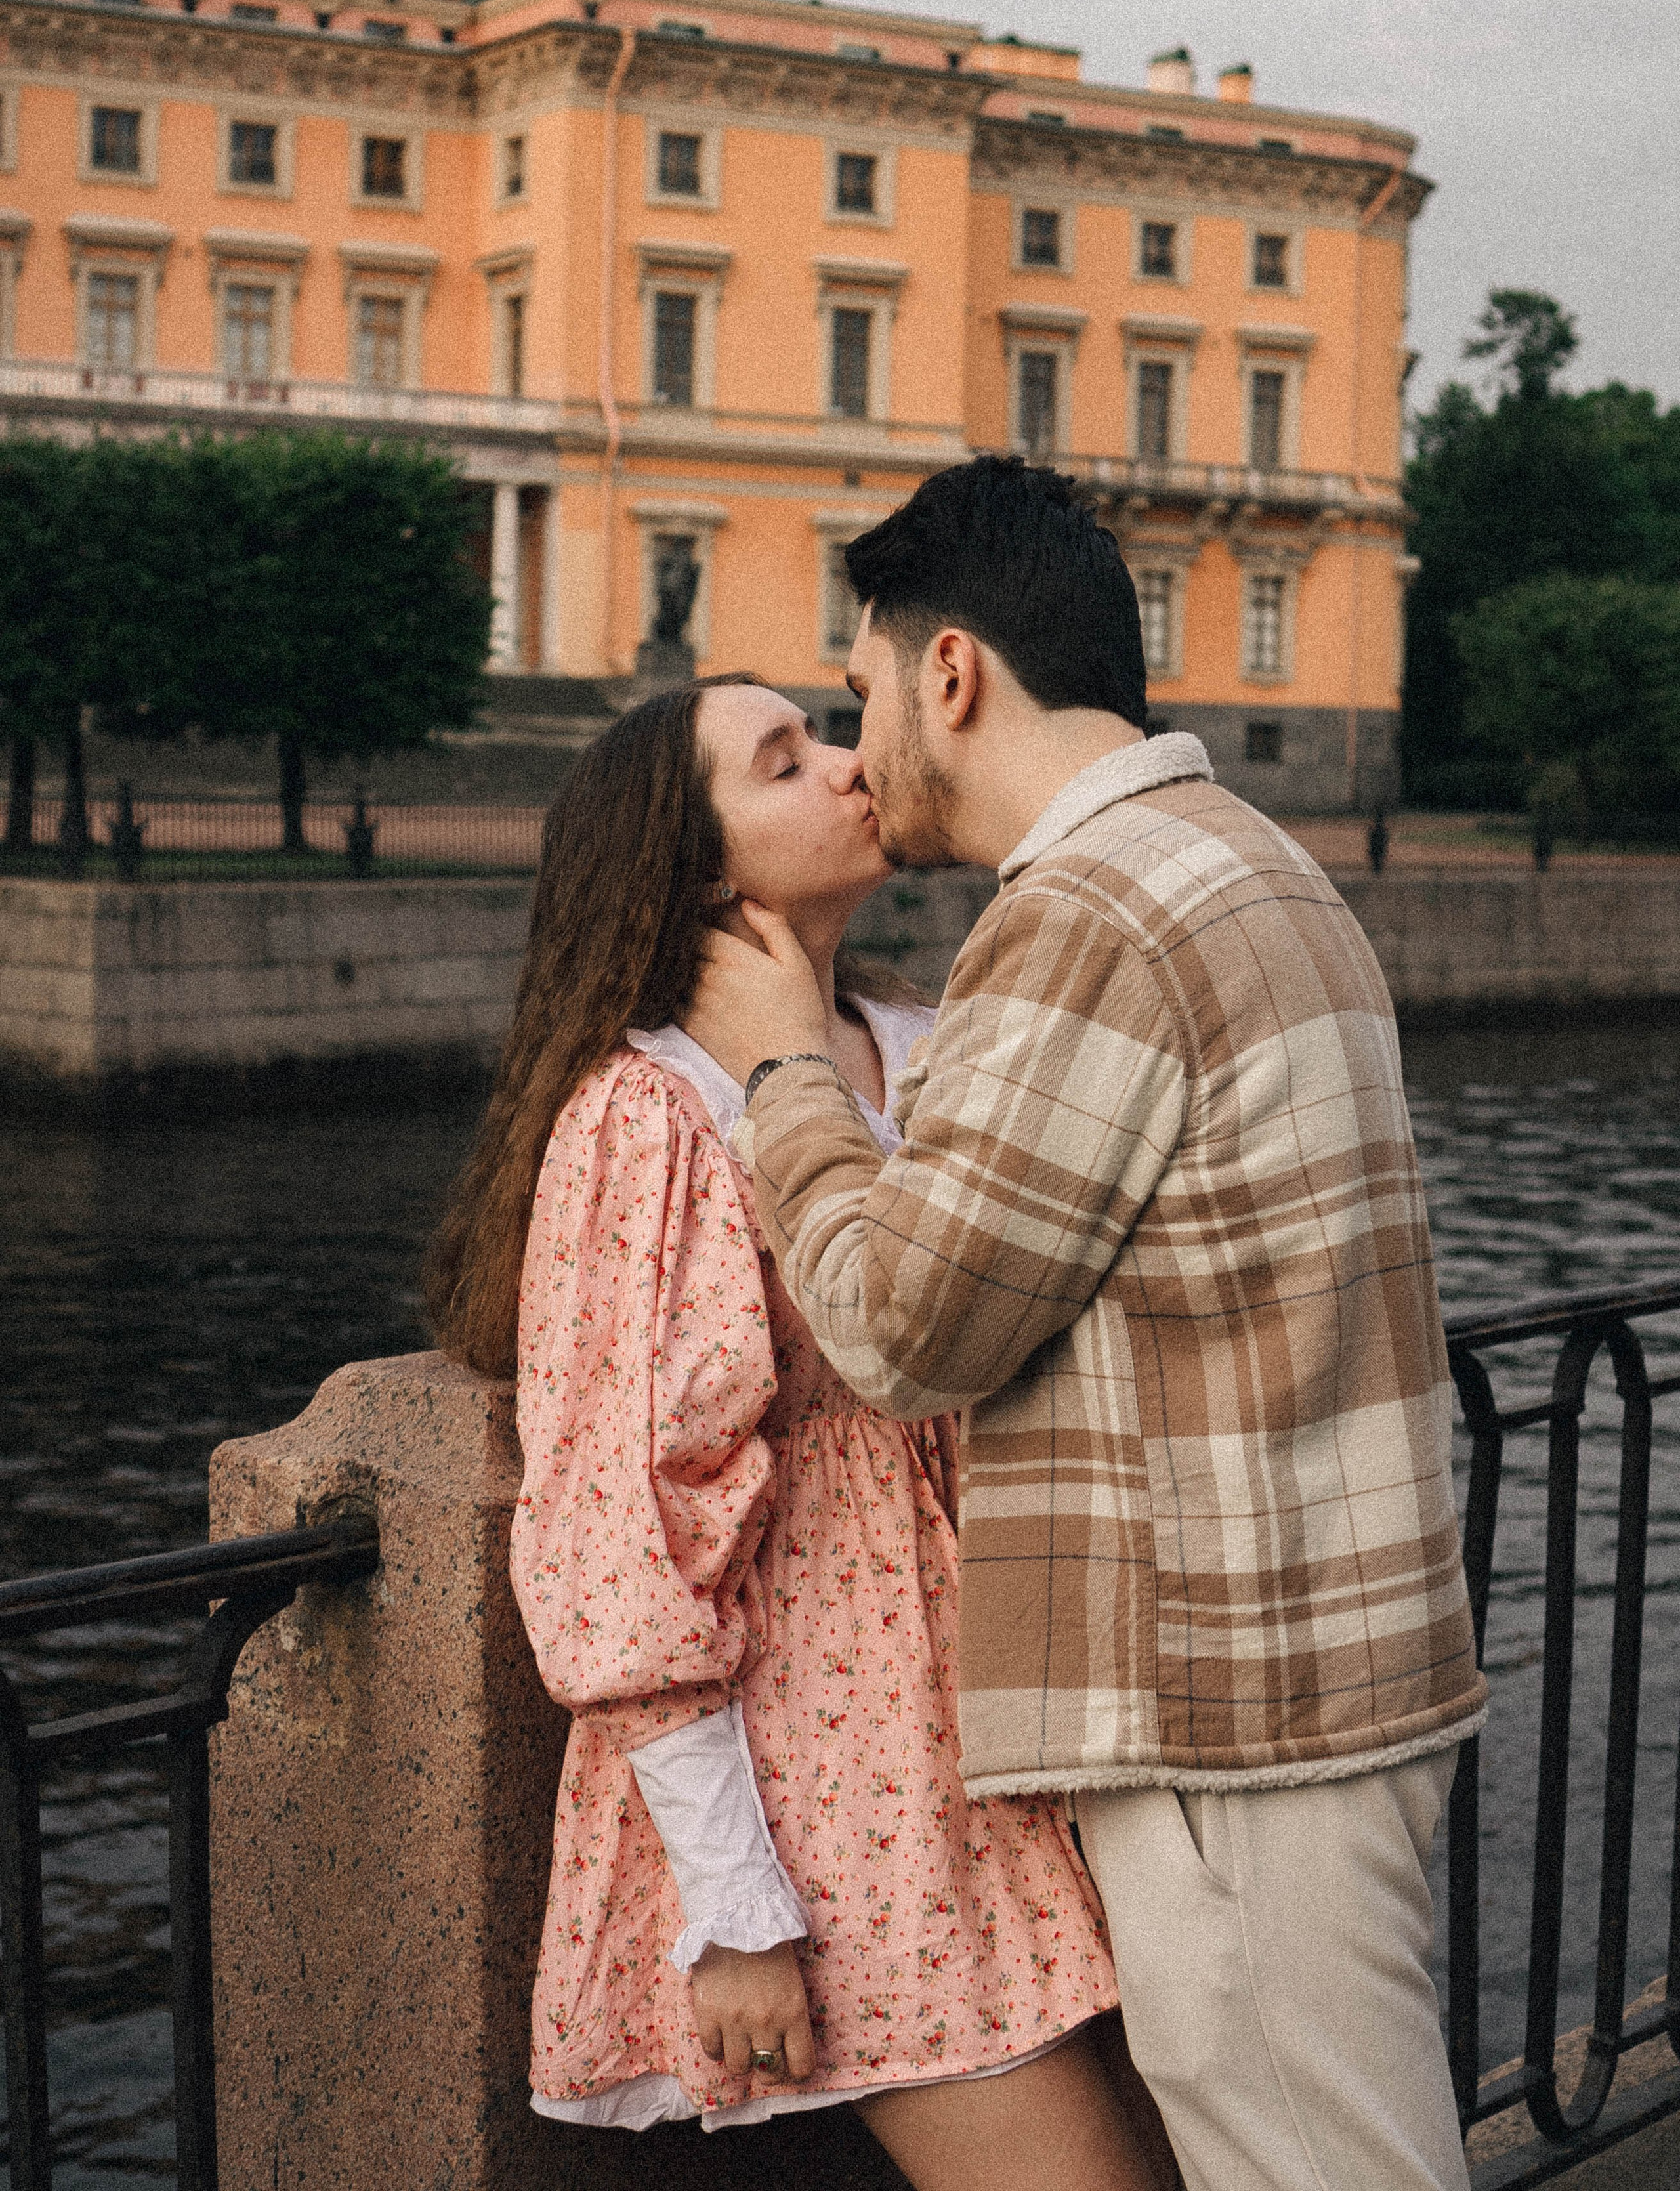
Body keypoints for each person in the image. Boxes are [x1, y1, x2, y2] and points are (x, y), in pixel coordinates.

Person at [684, 457, 1490, 2191]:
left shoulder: (1087, 913)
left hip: (1237, 1719)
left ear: (950, 672)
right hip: (1326, 1679)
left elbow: (902, 1328)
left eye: (862, 687)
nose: (859, 734)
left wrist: (782, 1073)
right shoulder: (1249, 861)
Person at [425, 675, 1175, 2191]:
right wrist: (734, 1904)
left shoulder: (922, 1035)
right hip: (829, 1770)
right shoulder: (648, 1117)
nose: (850, 767)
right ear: (700, 868)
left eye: (829, 732)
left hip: (1021, 1724)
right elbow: (617, 1529)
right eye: (787, 762)